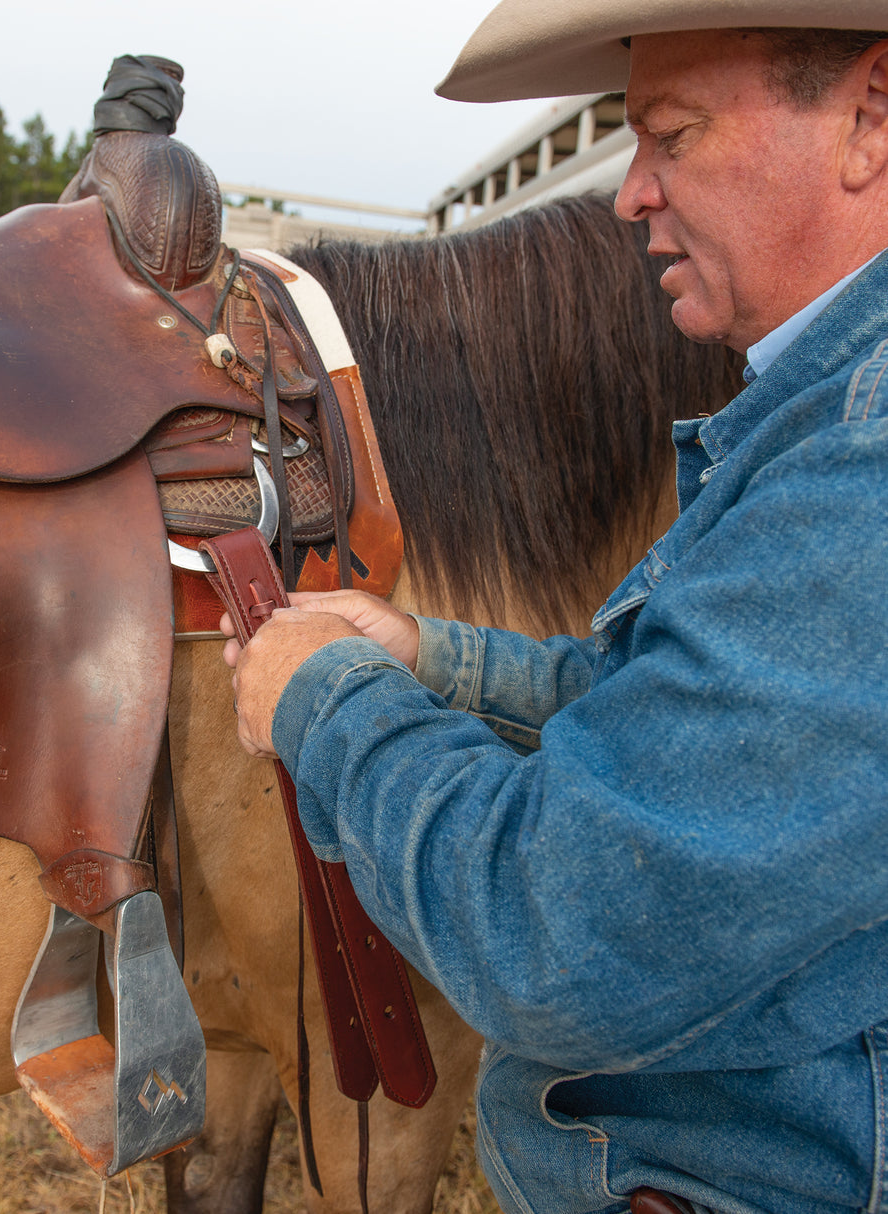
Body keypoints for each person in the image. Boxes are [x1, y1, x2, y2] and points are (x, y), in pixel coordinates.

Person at [221, 5, 888, 1212]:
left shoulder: (865, 471)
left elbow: (555, 929)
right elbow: (685, 717)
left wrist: (323, 699)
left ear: (868, 119)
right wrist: (435, 656)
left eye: (670, 135)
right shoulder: (815, 416)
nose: (629, 194)